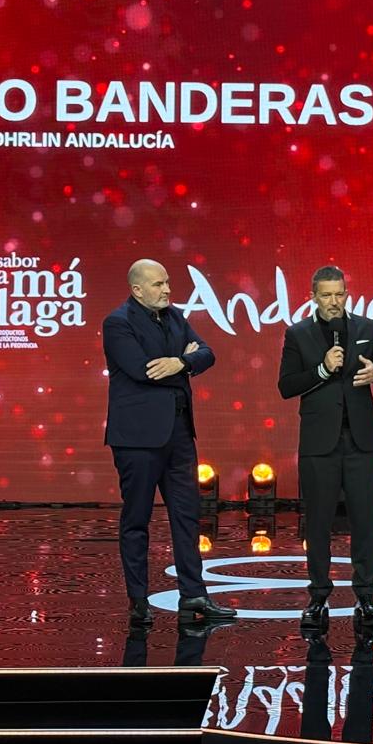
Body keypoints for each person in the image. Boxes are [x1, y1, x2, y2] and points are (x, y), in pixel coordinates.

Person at [104, 258, 236, 627]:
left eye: (167, 283)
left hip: (179, 434)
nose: (166, 290)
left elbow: (206, 353)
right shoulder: (118, 323)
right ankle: (138, 599)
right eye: (159, 284)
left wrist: (181, 363)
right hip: (138, 438)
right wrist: (185, 359)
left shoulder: (175, 317)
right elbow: (142, 369)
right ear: (137, 289)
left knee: (187, 515)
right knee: (137, 518)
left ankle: (193, 594)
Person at [278, 265, 373, 632]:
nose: (334, 301)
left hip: (361, 442)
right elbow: (286, 386)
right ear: (313, 297)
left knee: (365, 522)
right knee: (317, 524)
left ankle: (366, 598)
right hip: (319, 444)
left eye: (340, 294)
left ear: (347, 294)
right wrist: (320, 370)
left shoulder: (365, 328)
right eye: (327, 295)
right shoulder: (297, 334)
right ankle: (318, 598)